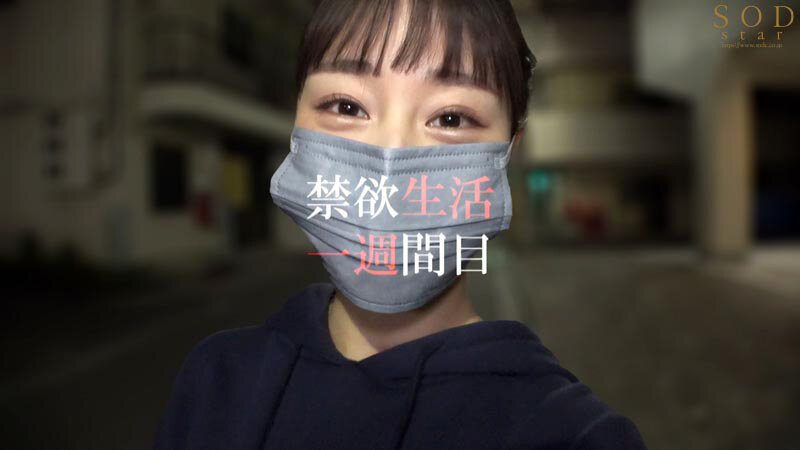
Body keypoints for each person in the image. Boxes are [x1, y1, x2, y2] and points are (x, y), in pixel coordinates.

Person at [153, 0, 648, 449]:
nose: (390, 157)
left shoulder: (574, 436)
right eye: (346, 106)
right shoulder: (217, 379)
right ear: (297, 122)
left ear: (507, 152)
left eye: (450, 118)